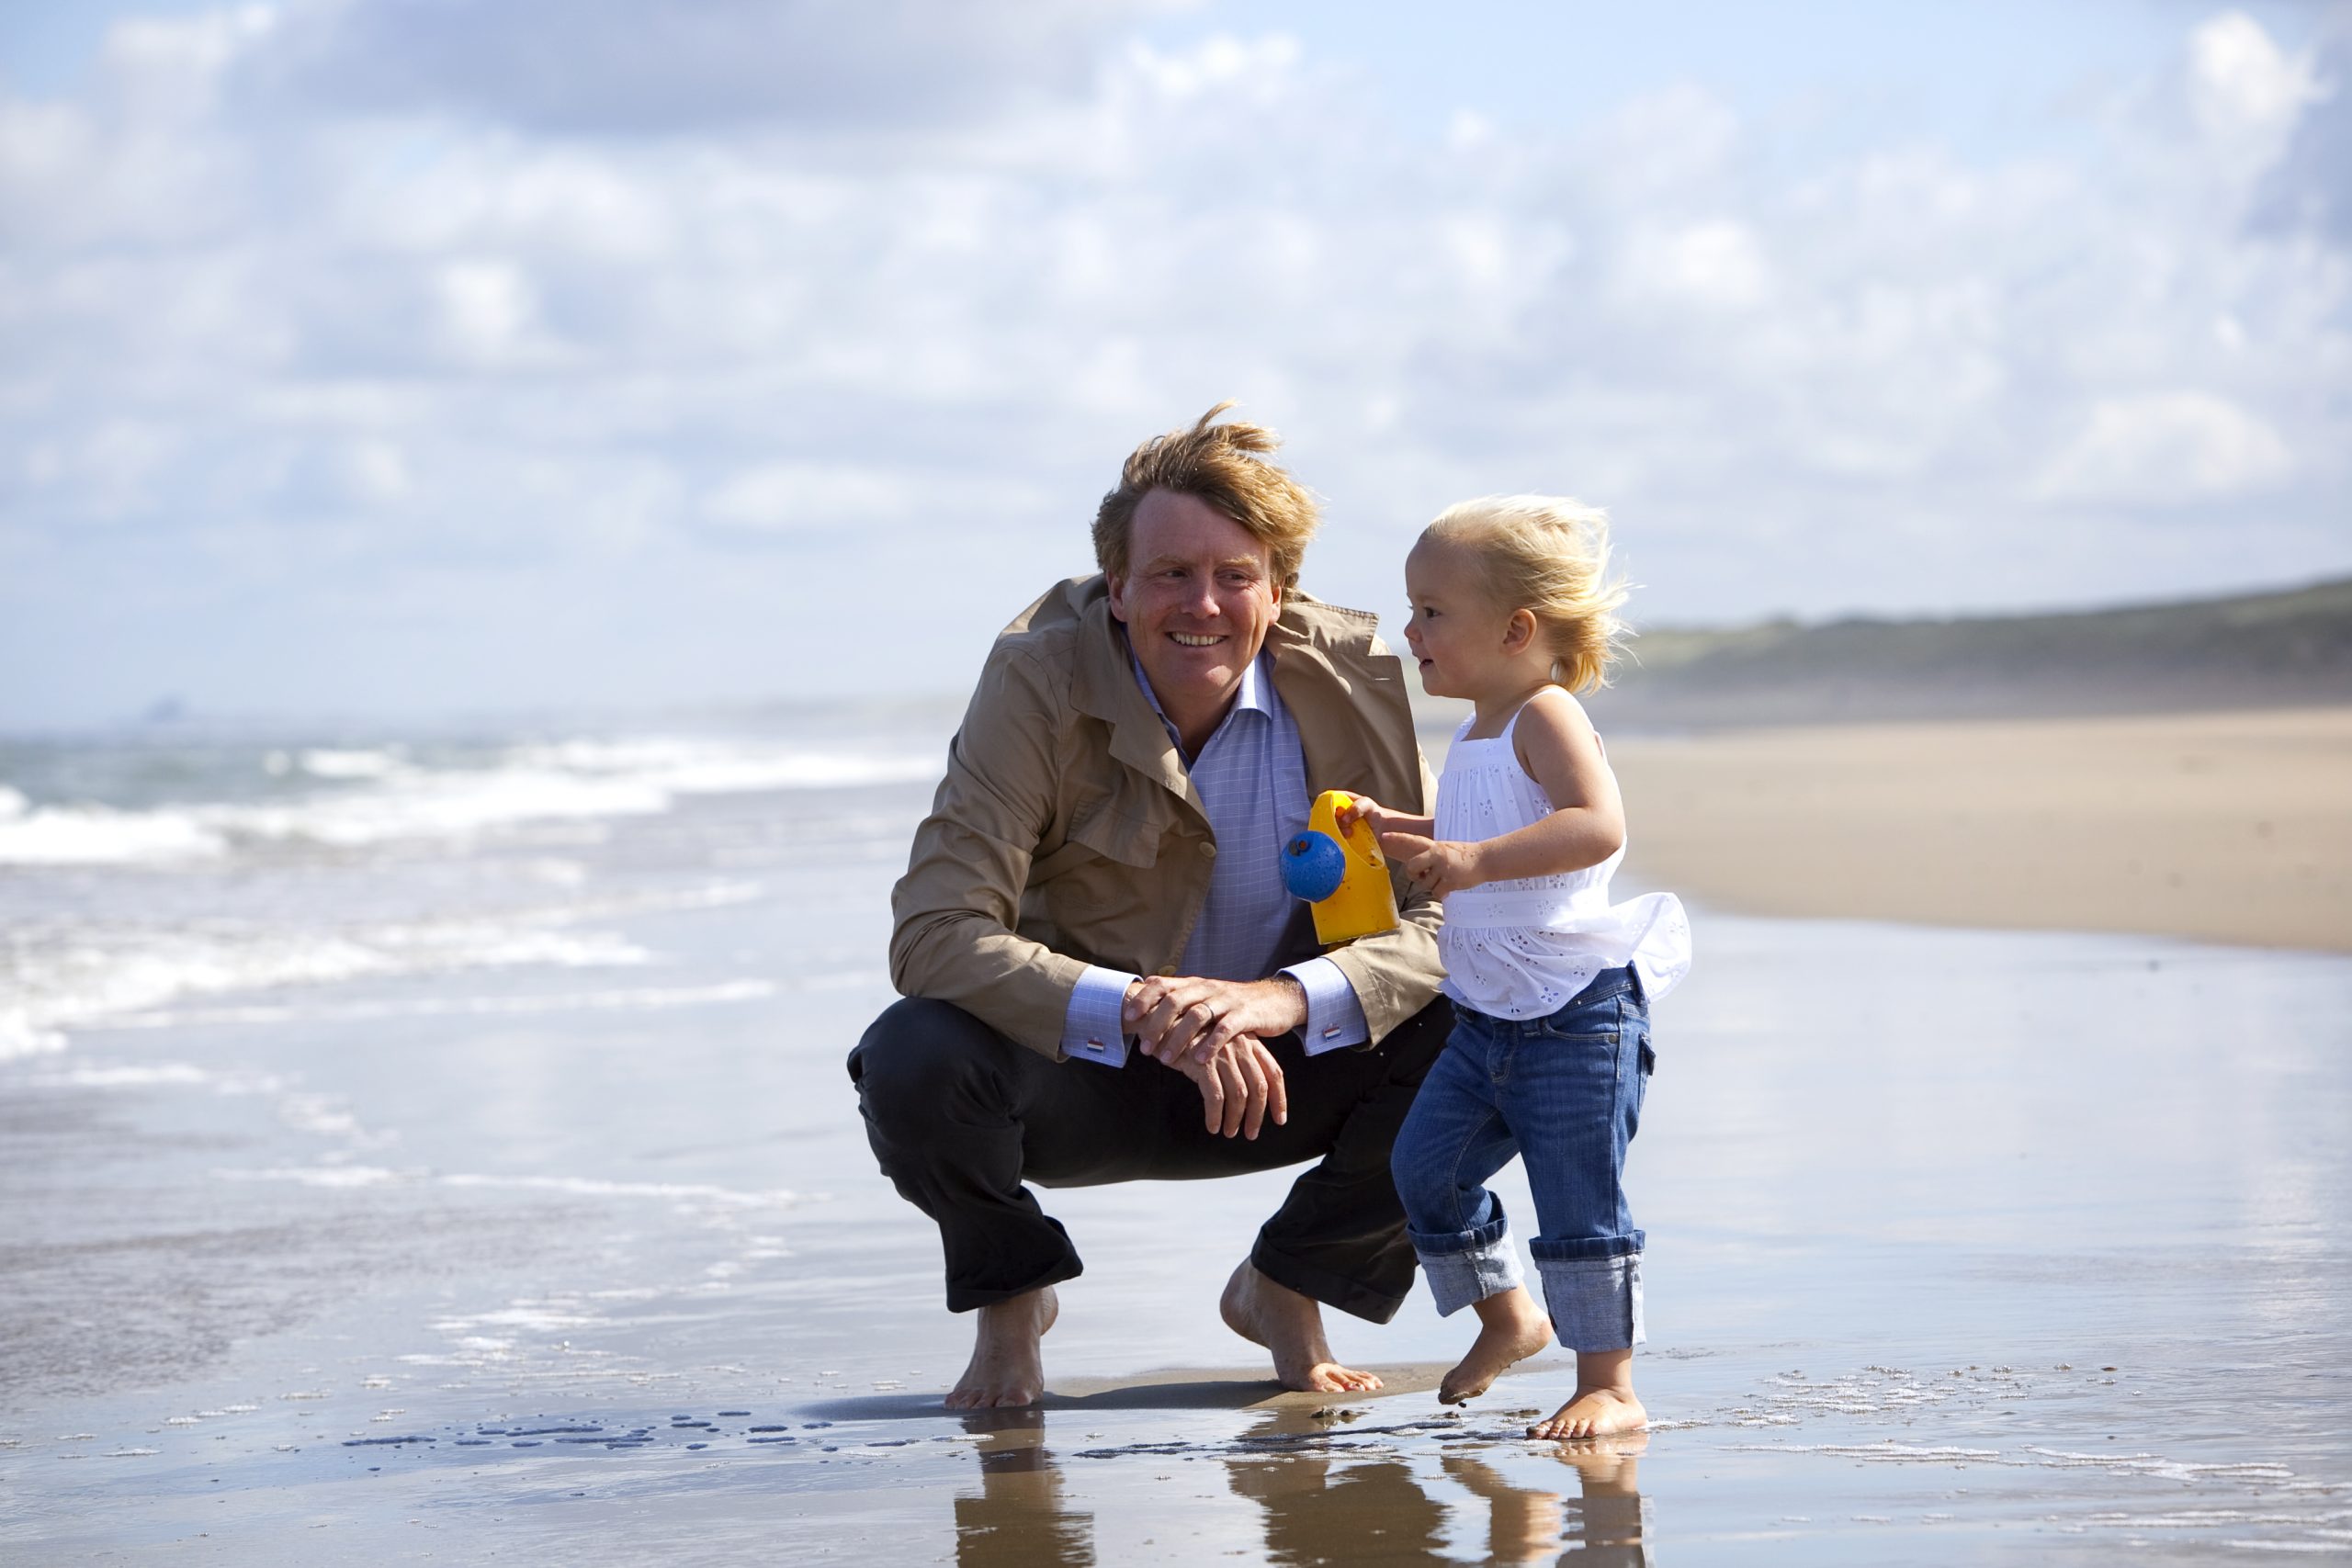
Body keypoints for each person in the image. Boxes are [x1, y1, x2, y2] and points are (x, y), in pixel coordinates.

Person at [849, 405, 1452, 1409]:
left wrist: (1283, 999)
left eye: (1233, 576)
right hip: (1080, 1076)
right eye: (1170, 574)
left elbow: (1441, 925)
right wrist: (1140, 1008)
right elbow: (934, 934)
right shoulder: (1036, 681)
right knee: (912, 1057)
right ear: (1118, 588)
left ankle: (1287, 1286)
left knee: (1506, 1019)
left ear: (1278, 589)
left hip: (1279, 1067)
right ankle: (1012, 1301)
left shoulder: (1349, 684)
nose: (1202, 604)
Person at [1341, 495, 1691, 1440]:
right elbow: (1469, 832)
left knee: (1579, 1199)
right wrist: (1396, 830)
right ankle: (1508, 1318)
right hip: (1488, 1016)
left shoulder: (1547, 714)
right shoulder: (1474, 732)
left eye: (1429, 612)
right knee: (1425, 1171)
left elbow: (1594, 826)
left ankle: (1609, 1384)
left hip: (1578, 1012)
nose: (1409, 631)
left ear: (1516, 628)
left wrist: (1472, 864)